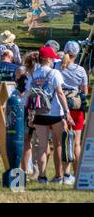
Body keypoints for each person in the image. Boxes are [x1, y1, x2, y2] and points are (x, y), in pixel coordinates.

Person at [25, 46, 74, 185]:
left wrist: (30, 116)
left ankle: (42, 177)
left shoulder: (33, 74)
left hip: (39, 114)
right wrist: (67, 112)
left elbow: (29, 96)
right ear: (47, 59)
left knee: (42, 146)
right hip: (55, 113)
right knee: (59, 144)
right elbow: (60, 93)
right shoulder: (54, 73)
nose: (54, 61)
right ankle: (60, 176)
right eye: (52, 58)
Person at [58, 41, 88, 185]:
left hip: (60, 108)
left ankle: (62, 174)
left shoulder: (57, 66)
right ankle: (77, 173)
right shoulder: (81, 70)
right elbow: (85, 91)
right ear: (77, 54)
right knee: (76, 142)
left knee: (61, 141)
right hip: (76, 108)